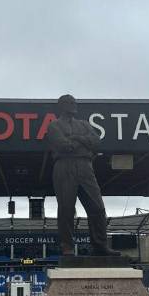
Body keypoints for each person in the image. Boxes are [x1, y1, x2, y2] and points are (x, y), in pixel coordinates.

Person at [46, 94, 118, 257]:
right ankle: (67, 247)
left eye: (74, 102)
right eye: (70, 103)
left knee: (98, 207)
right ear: (62, 106)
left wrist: (76, 138)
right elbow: (64, 146)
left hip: (85, 166)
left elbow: (97, 142)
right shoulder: (54, 126)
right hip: (64, 166)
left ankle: (100, 245)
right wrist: (85, 143)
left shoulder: (84, 124)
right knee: (66, 208)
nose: (74, 105)